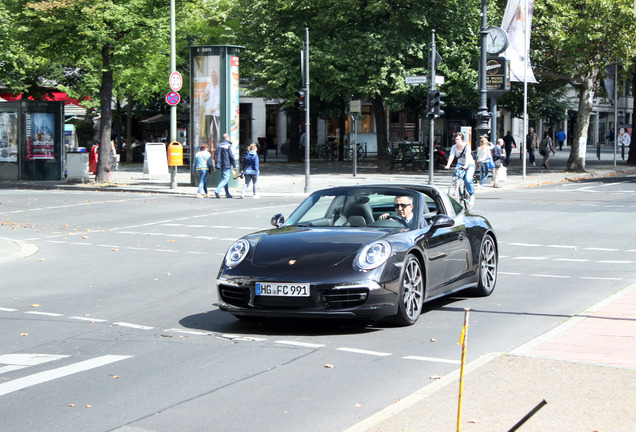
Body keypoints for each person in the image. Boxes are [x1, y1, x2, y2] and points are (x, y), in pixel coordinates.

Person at [444, 132, 476, 207]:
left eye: (458, 139)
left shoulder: (467, 146)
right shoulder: (454, 147)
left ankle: (471, 195)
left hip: (470, 164)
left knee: (468, 179)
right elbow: (451, 156)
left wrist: (466, 165)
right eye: (455, 139)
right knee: (455, 176)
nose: (456, 141)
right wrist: (448, 165)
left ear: (462, 140)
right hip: (460, 164)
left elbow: (468, 156)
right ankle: (455, 190)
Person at [214, 133, 236, 199]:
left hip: (220, 165)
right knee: (225, 179)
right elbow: (232, 156)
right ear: (228, 138)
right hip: (227, 164)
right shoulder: (229, 146)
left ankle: (227, 193)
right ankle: (217, 190)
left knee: (224, 179)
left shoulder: (218, 146)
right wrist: (234, 165)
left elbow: (216, 156)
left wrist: (217, 165)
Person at [203, 70, 221, 152]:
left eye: (215, 76)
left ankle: (215, 144)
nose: (214, 77)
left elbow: (222, 99)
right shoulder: (208, 86)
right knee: (207, 128)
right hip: (208, 110)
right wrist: (208, 95)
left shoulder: (220, 87)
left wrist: (217, 108)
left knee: (215, 129)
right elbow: (204, 99)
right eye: (213, 75)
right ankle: (208, 144)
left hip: (216, 112)